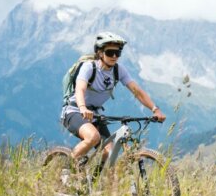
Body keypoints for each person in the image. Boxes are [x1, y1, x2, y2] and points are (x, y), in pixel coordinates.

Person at [60, 31, 166, 164]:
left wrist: (155, 109)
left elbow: (137, 91)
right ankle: (65, 171)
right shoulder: (89, 67)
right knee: (93, 137)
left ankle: (93, 181)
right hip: (75, 111)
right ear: (100, 53)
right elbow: (80, 89)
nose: (115, 56)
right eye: (110, 52)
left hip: (95, 114)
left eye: (118, 53)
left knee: (110, 153)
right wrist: (82, 108)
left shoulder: (118, 70)